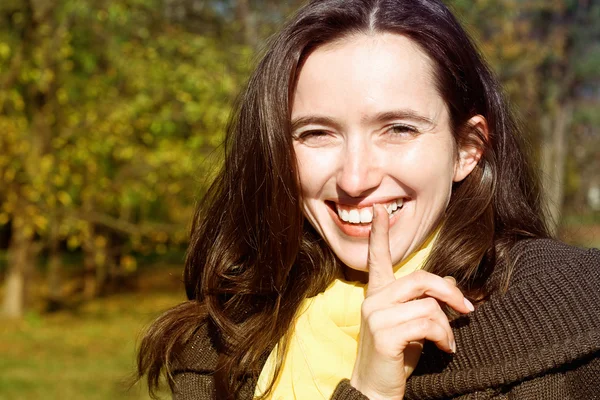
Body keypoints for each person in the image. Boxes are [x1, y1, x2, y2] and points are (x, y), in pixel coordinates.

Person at [136, 0, 600, 399]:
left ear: (467, 149)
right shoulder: (224, 331)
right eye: (316, 133)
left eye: (398, 129)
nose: (355, 179)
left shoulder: (568, 322)